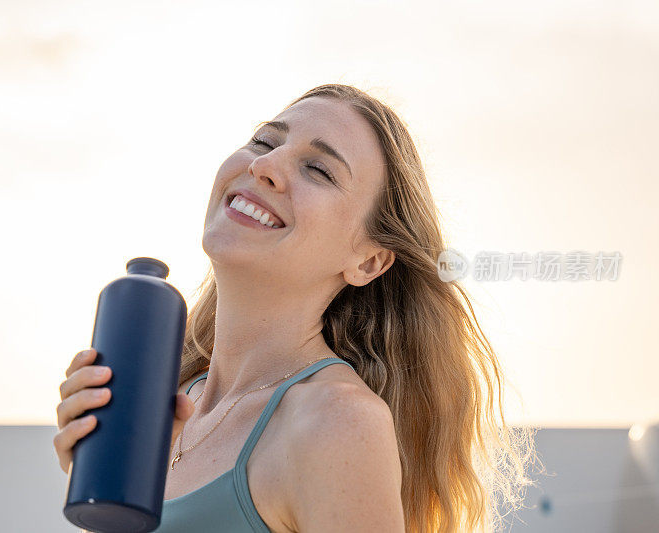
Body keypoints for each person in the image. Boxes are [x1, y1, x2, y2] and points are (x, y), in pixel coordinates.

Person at [54, 83, 537, 532]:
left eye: (319, 170)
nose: (264, 166)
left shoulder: (337, 420)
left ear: (368, 260)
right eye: (264, 143)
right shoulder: (170, 402)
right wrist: (102, 485)